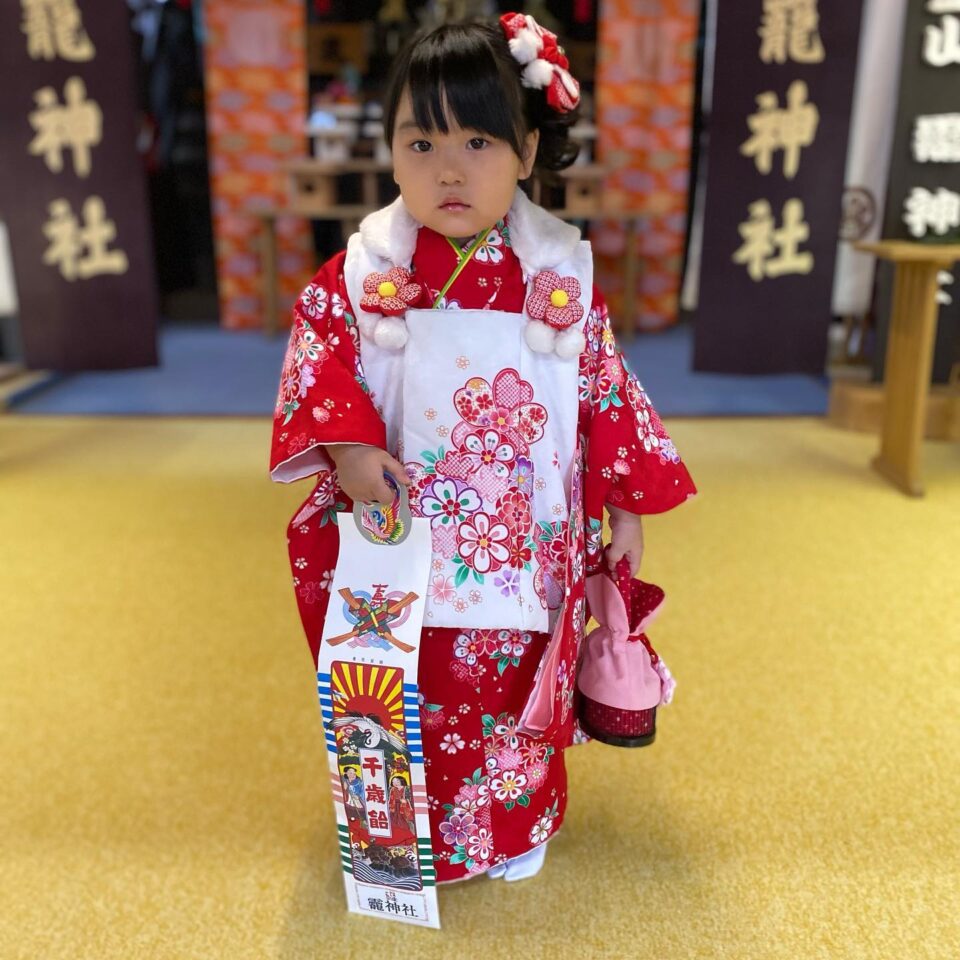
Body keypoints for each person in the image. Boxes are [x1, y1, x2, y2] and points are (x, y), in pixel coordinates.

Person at [270, 13, 696, 885]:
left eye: (478, 140)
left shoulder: (557, 280)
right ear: (389, 151)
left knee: (510, 692)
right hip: (399, 534)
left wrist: (625, 511)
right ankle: (403, 836)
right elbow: (321, 362)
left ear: (528, 151)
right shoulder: (359, 276)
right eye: (420, 142)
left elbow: (604, 393)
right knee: (406, 687)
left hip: (518, 538)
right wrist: (347, 451)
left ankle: (514, 824)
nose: (449, 169)